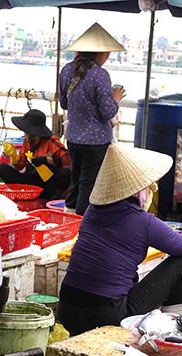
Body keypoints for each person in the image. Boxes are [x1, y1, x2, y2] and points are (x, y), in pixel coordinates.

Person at [57, 143, 182, 336]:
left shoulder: (92, 212)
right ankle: (180, 332)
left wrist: (172, 236)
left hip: (66, 309)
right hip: (107, 316)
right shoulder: (143, 222)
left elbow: (122, 238)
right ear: (139, 191)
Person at [59, 22, 126, 216]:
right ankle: (81, 228)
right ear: (103, 53)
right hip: (96, 142)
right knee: (88, 185)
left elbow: (64, 103)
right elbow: (107, 112)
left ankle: (67, 220)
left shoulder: (66, 70)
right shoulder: (100, 75)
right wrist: (116, 99)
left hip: (73, 138)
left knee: (76, 181)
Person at [0, 109, 71, 200]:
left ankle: (50, 198)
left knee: (66, 173)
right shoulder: (26, 142)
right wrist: (14, 157)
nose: (24, 134)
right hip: (30, 182)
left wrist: (46, 160)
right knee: (2, 168)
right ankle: (22, 194)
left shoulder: (51, 141)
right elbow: (20, 166)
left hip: (48, 184)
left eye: (26, 131)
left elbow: (68, 158)